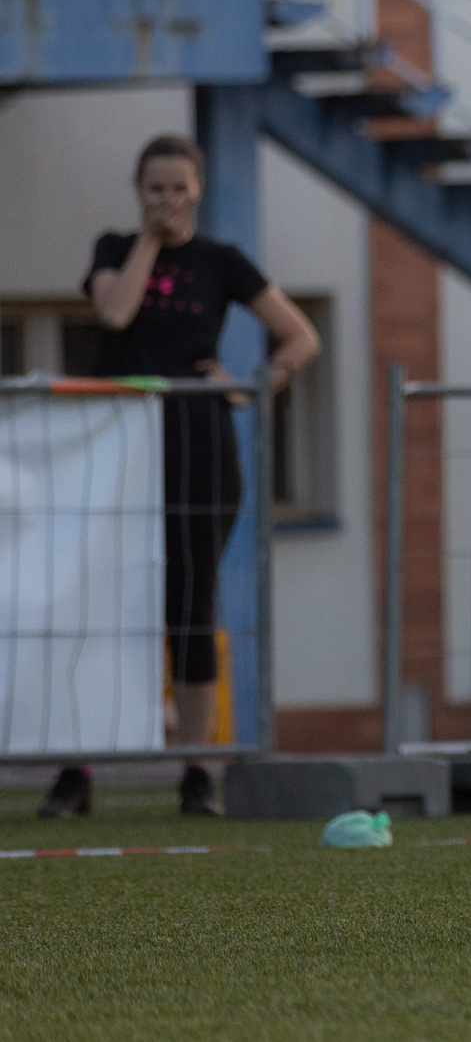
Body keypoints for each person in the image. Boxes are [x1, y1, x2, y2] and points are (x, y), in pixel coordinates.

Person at [37, 135, 321, 819]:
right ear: (139, 193)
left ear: (199, 191)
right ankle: (77, 768)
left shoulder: (222, 262)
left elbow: (301, 336)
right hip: (114, 452)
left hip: (198, 448)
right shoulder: (113, 248)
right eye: (155, 188)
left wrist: (254, 383)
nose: (167, 200)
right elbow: (114, 312)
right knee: (97, 610)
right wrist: (148, 242)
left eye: (179, 188)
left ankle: (196, 772)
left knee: (191, 608)